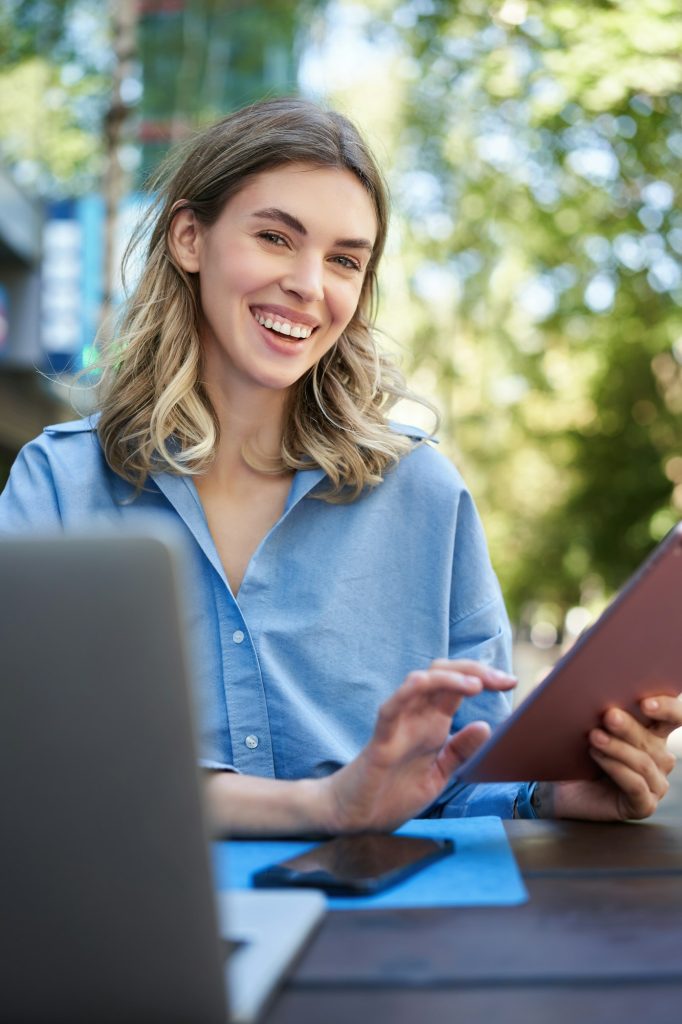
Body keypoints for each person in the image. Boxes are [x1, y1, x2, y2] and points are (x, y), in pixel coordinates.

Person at [1, 98, 679, 836]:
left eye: (345, 261)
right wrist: (321, 806)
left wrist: (544, 795)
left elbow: (457, 779)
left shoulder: (422, 495)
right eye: (274, 237)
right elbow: (33, 760)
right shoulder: (58, 486)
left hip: (382, 936)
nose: (309, 284)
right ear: (190, 238)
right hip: (124, 930)